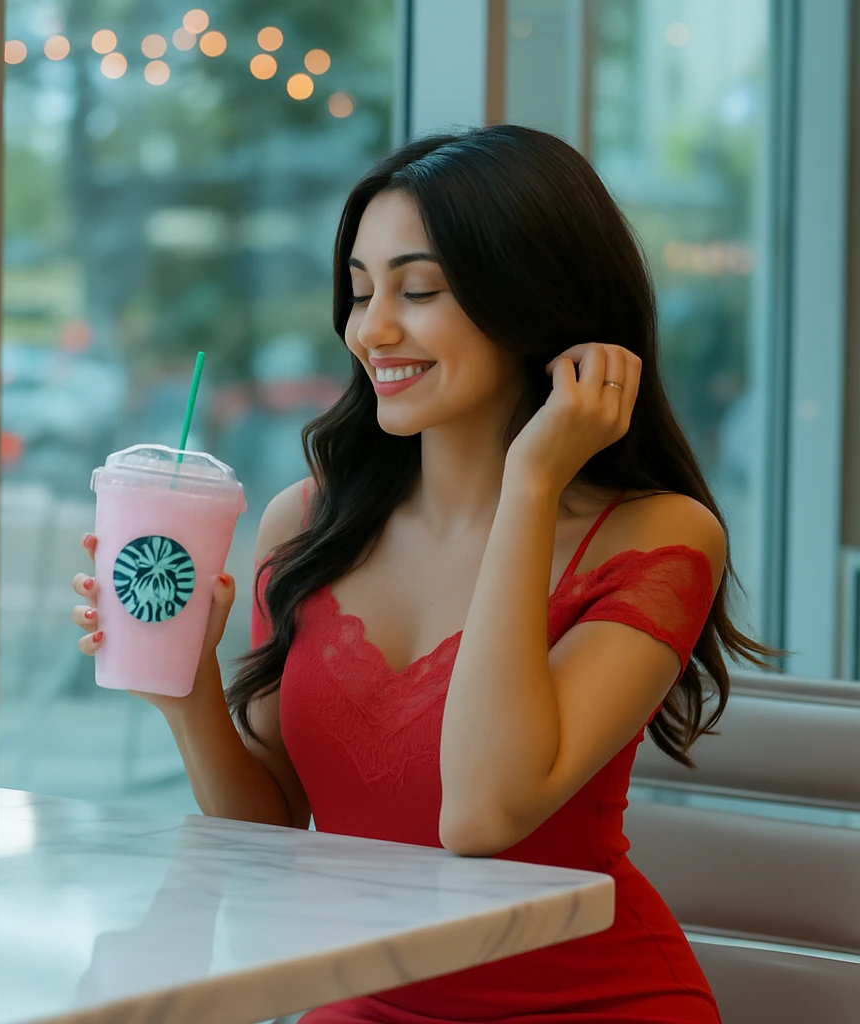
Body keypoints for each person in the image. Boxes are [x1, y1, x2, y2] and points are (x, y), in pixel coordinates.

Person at [73, 126, 778, 1023]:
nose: (373, 329)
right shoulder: (306, 525)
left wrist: (531, 482)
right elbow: (270, 833)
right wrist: (185, 688)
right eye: (361, 291)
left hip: (590, 1002)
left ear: (532, 300)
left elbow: (483, 815)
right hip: (358, 999)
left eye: (419, 290)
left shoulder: (656, 536)